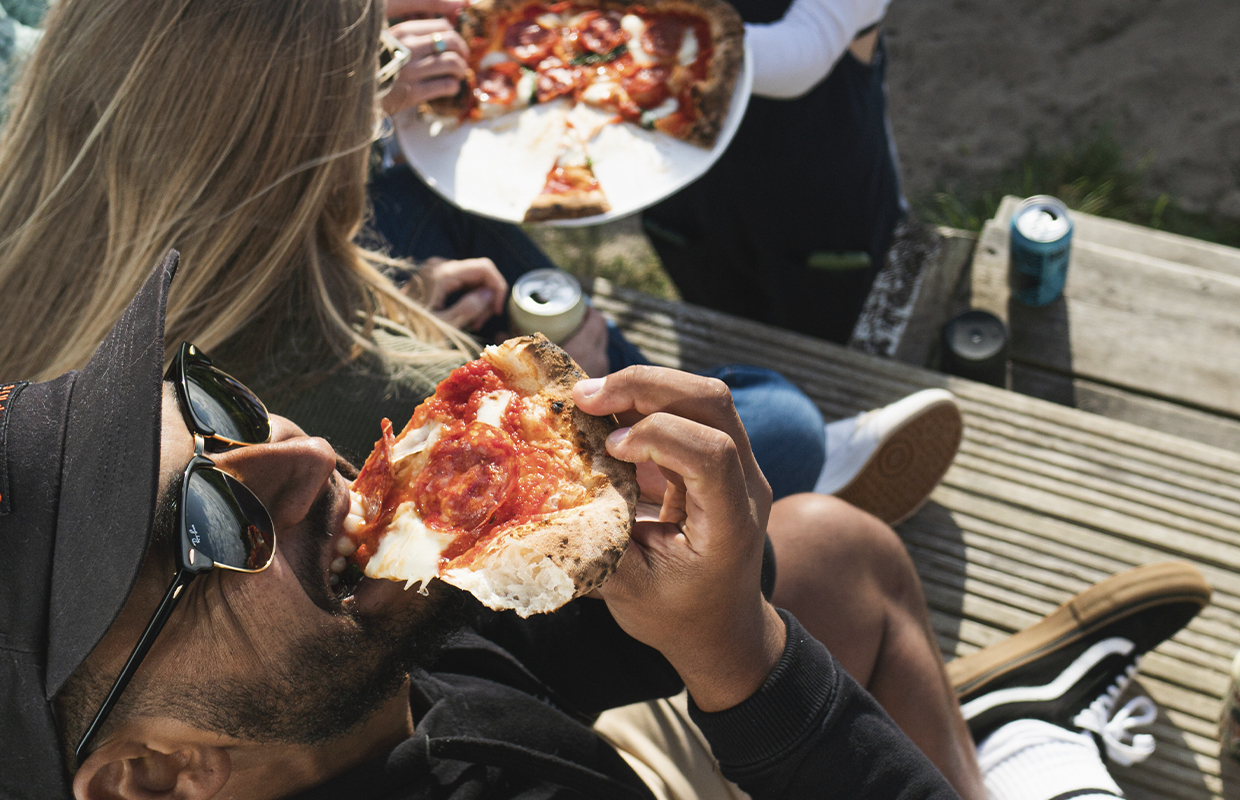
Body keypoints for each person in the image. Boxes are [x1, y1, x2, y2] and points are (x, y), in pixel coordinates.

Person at [0, 252, 1208, 800]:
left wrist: (679, 571)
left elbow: (494, 675)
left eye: (211, 409)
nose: (309, 457)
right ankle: (1042, 753)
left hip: (570, 732)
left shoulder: (343, 665)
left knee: (838, 545)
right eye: (206, 520)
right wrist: (743, 660)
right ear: (152, 777)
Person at [641, 0, 904, 343]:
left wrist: (637, 42)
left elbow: (803, 52)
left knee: (830, 346)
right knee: (721, 332)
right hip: (686, 190)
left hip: (817, 204)